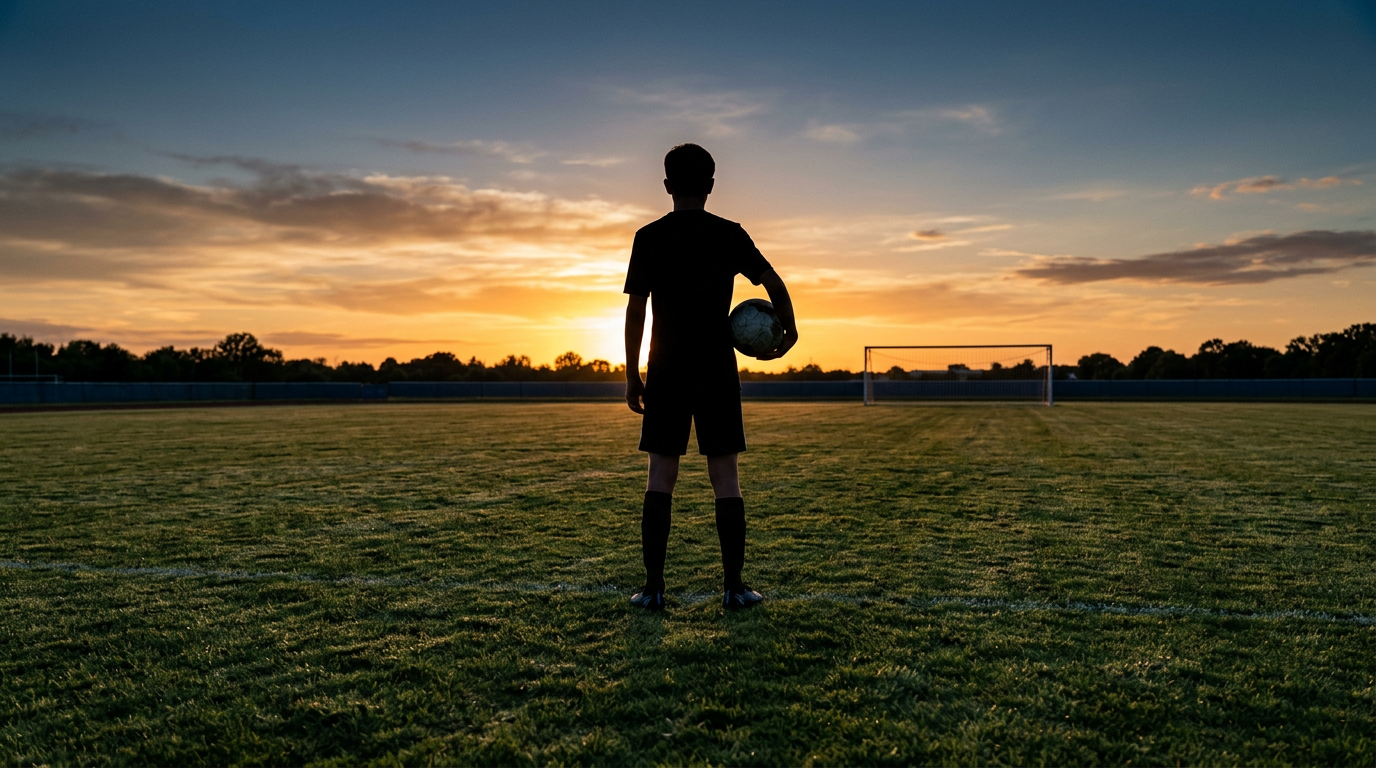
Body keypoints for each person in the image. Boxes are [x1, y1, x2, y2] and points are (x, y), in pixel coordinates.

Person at [622, 143, 798, 611]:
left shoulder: (649, 236)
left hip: (666, 367)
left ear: (666, 185)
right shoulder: (729, 234)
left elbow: (636, 309)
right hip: (716, 367)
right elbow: (773, 281)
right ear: (712, 186)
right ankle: (734, 588)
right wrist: (790, 325)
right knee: (726, 478)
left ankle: (654, 589)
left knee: (661, 475)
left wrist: (631, 374)